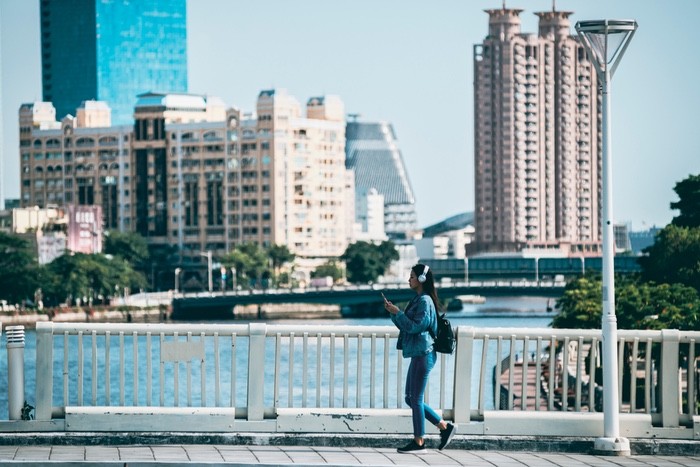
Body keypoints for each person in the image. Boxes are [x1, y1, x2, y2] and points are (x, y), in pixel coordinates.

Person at [384, 263, 457, 453]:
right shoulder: (418, 299)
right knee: (410, 398)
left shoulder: (424, 301)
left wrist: (397, 313)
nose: (409, 279)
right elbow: (407, 325)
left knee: (415, 398)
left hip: (424, 354)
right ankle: (444, 427)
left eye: (412, 276)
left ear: (421, 279)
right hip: (418, 354)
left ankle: (419, 442)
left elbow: (415, 327)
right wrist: (395, 314)